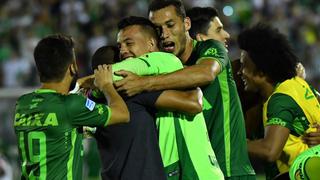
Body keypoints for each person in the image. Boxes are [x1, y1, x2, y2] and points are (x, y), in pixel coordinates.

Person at [114, 1, 255, 179]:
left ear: (186, 24)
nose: (164, 34)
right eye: (157, 29)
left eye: (170, 25)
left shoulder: (210, 48)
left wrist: (143, 83)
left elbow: (205, 73)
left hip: (231, 169)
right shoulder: (164, 67)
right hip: (193, 169)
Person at [88, 16, 224, 179]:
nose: (123, 50)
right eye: (120, 46)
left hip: (193, 168)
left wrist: (83, 84)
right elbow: (193, 100)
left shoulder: (162, 62)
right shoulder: (130, 88)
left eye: (129, 43)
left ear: (151, 44)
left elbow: (194, 101)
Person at [13, 35, 129, 179]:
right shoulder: (72, 105)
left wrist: (80, 83)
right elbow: (122, 114)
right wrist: (106, 85)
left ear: (39, 69)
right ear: (73, 67)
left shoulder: (22, 103)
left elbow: (56, 105)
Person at [237, 23, 320, 178]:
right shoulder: (299, 83)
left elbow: (269, 150)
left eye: (244, 66)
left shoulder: (280, 99)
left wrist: (230, 143)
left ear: (261, 73)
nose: (240, 72)